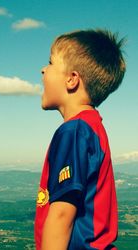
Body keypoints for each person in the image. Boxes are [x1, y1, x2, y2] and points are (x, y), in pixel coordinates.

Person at [34, 29, 126, 250]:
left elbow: (62, 215)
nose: (43, 69)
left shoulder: (74, 130)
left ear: (71, 79)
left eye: (50, 63)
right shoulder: (92, 127)